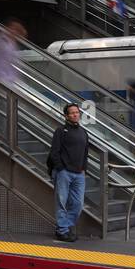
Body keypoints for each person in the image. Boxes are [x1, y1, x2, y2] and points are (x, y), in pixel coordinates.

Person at [47, 103, 88, 242]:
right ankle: (62, 231)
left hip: (79, 173)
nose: (75, 114)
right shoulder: (60, 130)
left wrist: (83, 169)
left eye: (77, 112)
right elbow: (54, 152)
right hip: (64, 172)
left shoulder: (83, 132)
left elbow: (85, 153)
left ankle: (65, 227)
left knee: (78, 204)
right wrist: (60, 168)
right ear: (66, 116)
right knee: (61, 203)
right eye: (72, 113)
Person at [0, 18, 27, 88]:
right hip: (4, 81)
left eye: (17, 30)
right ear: (6, 28)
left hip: (12, 81)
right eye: (12, 28)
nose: (14, 32)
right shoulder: (1, 41)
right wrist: (2, 81)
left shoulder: (12, 43)